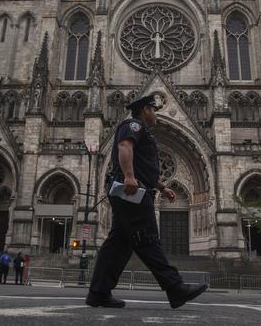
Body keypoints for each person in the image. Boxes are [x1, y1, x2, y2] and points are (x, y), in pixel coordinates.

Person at [86, 94, 207, 309]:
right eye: (153, 108)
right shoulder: (132, 125)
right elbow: (124, 146)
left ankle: (99, 292)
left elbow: (145, 167)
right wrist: (129, 176)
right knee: (148, 238)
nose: (155, 112)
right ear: (144, 110)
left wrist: (161, 187)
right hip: (132, 192)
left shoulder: (144, 131)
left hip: (137, 189)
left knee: (119, 244)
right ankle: (175, 287)